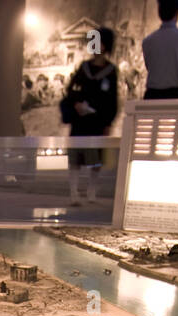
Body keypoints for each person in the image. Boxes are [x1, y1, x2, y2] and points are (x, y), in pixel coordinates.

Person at [62, 27, 118, 205]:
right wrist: (76, 104)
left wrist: (108, 122)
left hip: (98, 121)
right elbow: (71, 90)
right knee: (76, 157)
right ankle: (73, 193)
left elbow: (112, 99)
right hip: (80, 119)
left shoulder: (111, 71)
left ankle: (91, 192)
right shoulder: (83, 68)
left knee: (96, 159)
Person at [142, 0, 178, 99]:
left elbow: (149, 67)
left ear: (159, 12)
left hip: (151, 97)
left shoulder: (147, 41)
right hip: (174, 96)